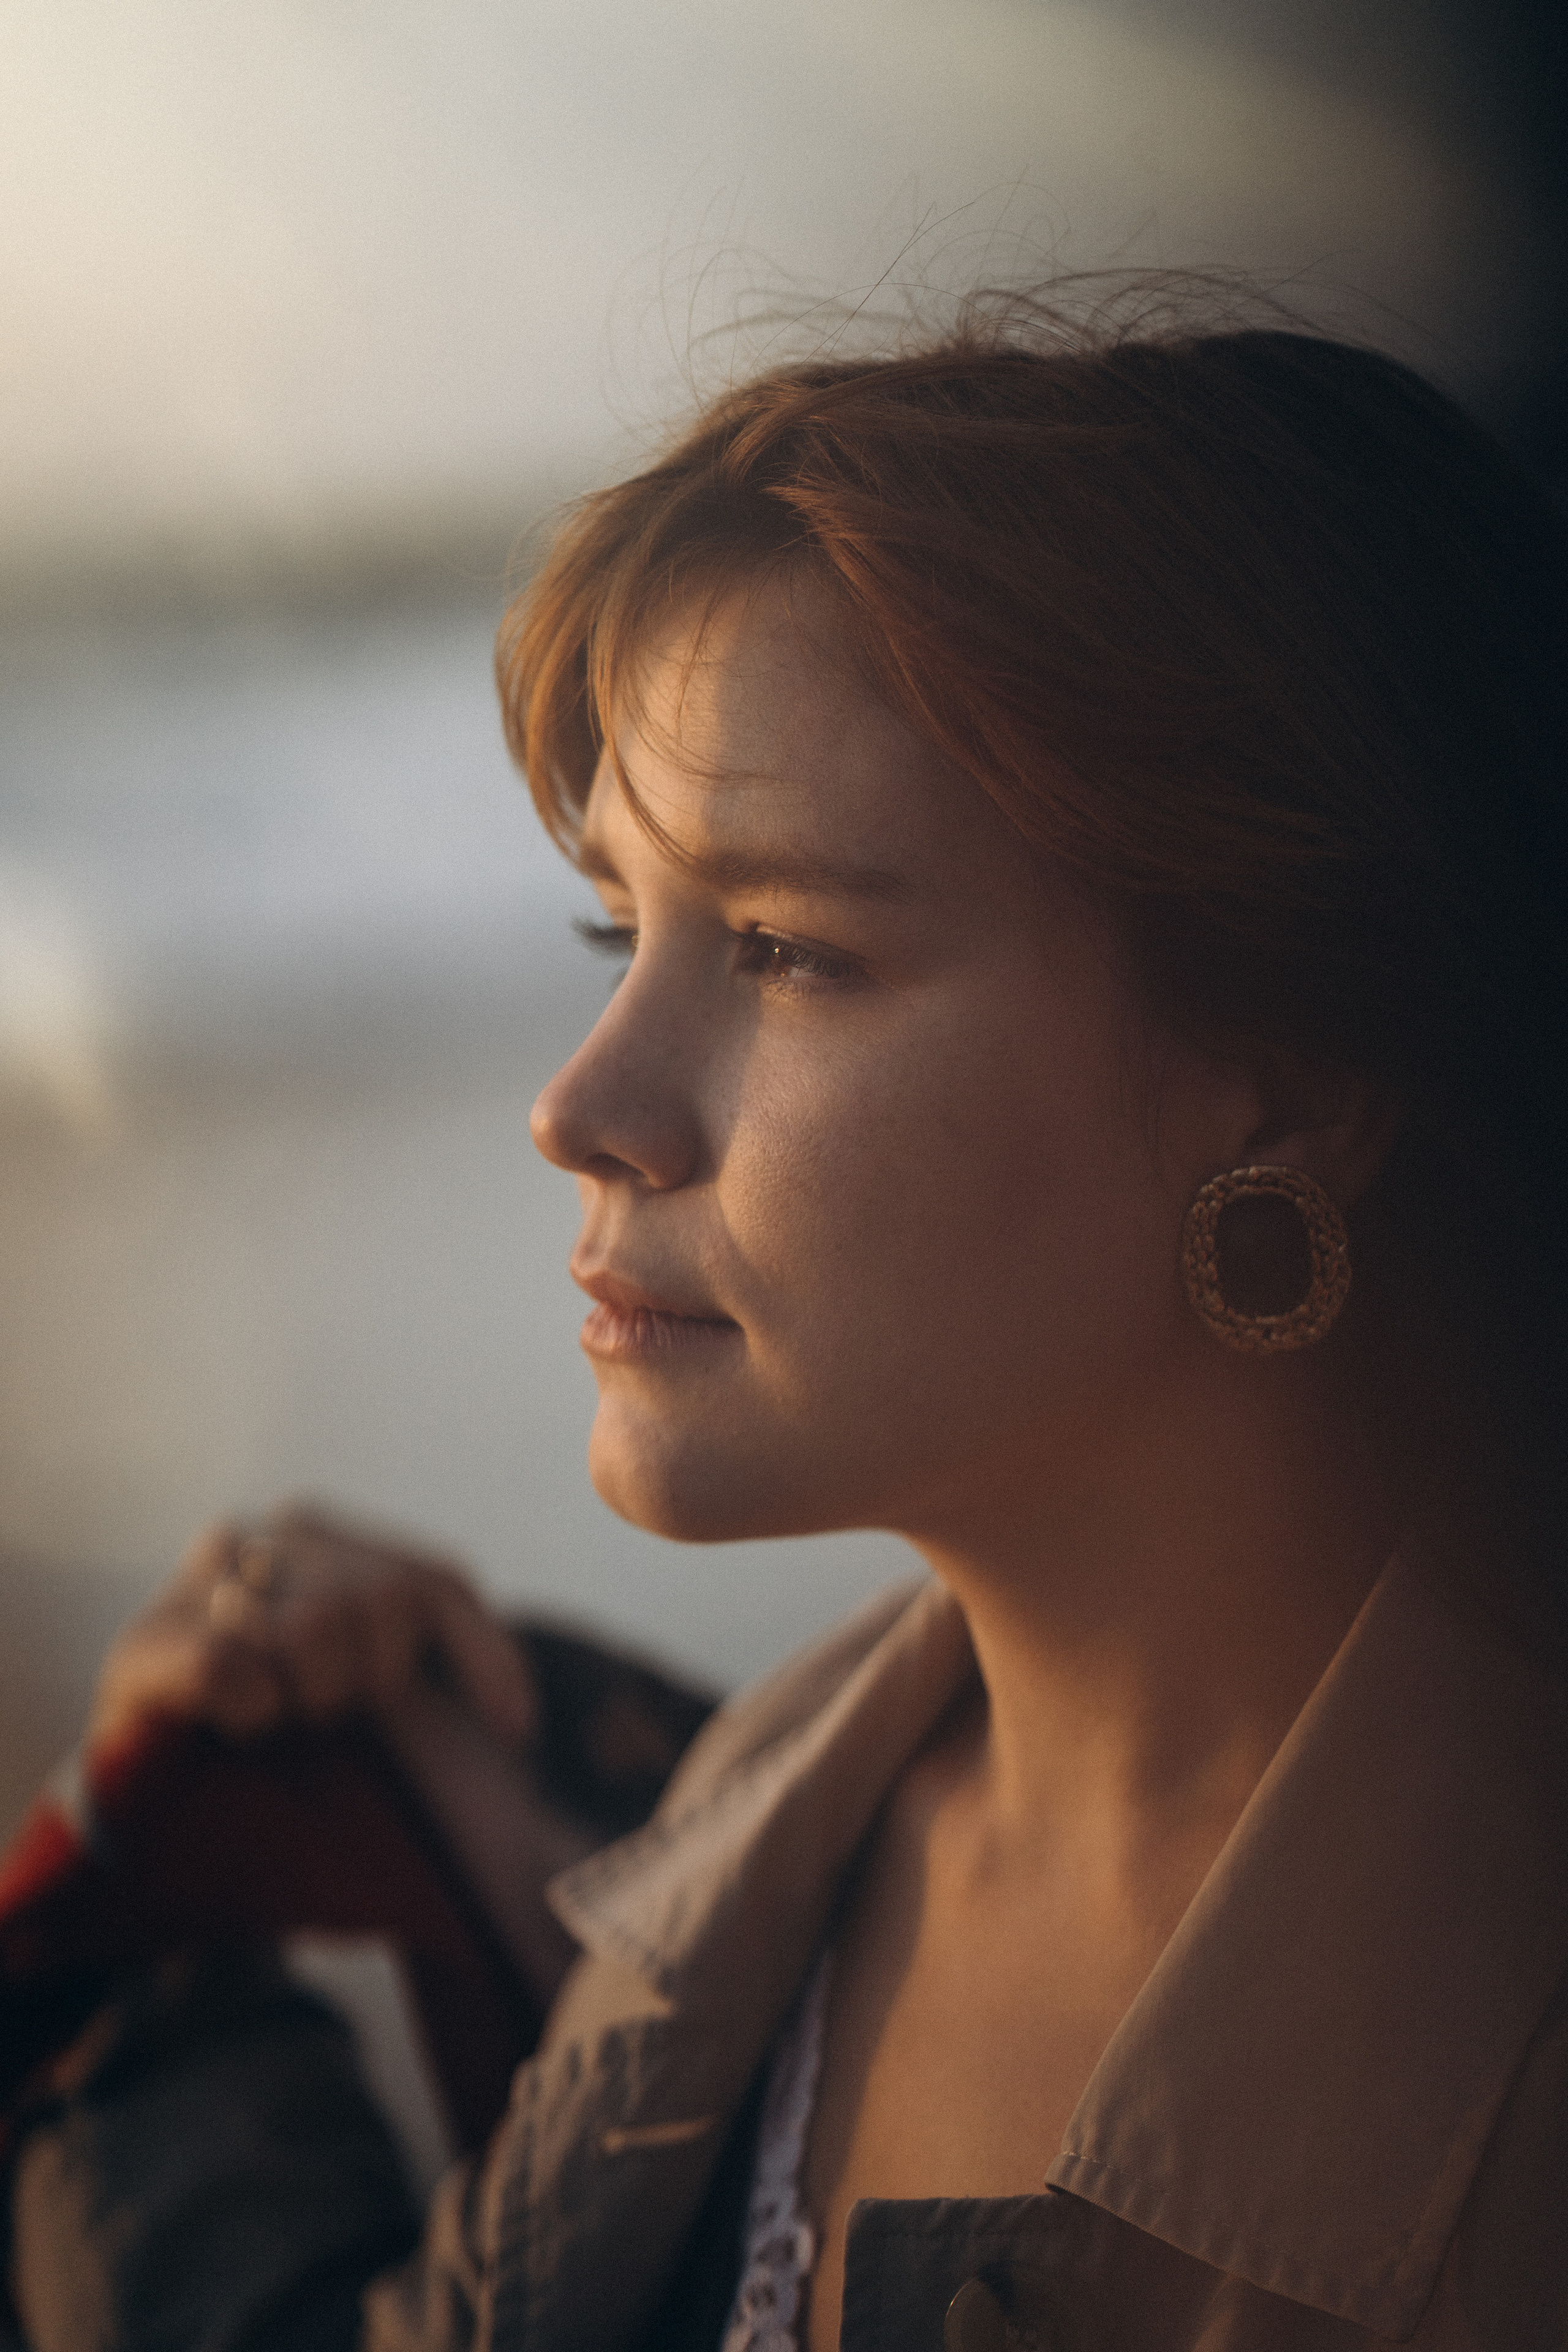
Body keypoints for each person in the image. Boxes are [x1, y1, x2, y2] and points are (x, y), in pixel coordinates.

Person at [7, 293, 1568, 2351]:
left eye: (784, 949)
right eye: (618, 926)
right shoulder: (734, 1877)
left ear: (1282, 1078)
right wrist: (180, 1927)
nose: (583, 1106)